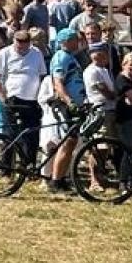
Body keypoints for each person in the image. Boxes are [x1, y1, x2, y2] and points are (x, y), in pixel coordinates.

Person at [0, 26, 46, 165]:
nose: (21, 47)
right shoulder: (5, 53)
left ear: (29, 42)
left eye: (24, 44)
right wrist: (2, 98)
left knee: (31, 134)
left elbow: (42, 75)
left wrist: (41, 97)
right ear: (14, 41)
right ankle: (6, 166)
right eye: (18, 43)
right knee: (10, 134)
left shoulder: (36, 53)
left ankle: (28, 165)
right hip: (12, 98)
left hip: (32, 100)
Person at [45, 28, 86, 195]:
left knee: (71, 142)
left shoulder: (71, 57)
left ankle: (61, 178)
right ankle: (55, 180)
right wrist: (70, 102)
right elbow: (58, 83)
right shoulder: (61, 57)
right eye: (75, 39)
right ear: (66, 42)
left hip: (74, 104)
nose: (78, 42)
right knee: (67, 141)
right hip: (65, 105)